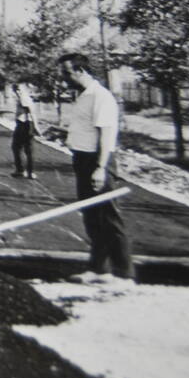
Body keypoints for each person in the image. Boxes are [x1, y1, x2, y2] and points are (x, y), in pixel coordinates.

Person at [58, 52, 135, 286]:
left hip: (98, 161)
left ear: (80, 71)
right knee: (92, 216)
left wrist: (101, 168)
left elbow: (107, 135)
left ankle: (124, 273)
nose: (63, 78)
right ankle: (98, 269)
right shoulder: (82, 96)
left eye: (66, 73)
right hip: (82, 159)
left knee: (109, 217)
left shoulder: (101, 96)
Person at [10, 82, 37, 179]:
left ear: (24, 89)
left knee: (18, 147)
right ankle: (29, 171)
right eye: (15, 90)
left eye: (19, 89)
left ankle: (22, 170)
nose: (17, 92)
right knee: (27, 149)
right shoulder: (26, 98)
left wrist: (36, 127)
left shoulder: (23, 98)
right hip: (25, 124)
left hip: (24, 124)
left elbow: (31, 112)